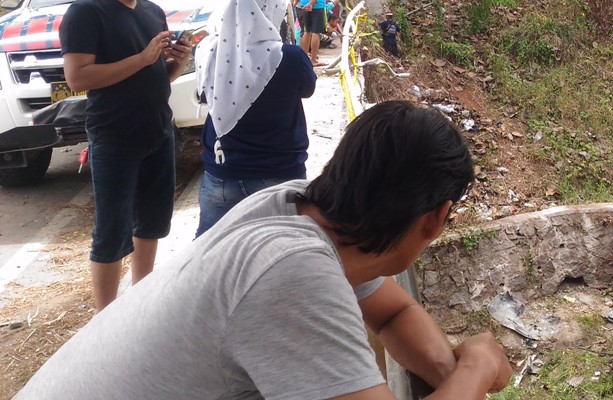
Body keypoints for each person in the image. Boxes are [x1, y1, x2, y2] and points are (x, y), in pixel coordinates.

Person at [16, 101, 514, 400]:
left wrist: (450, 378)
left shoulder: (296, 208)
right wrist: (477, 367)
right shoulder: (292, 272)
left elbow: (394, 312)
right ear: (435, 218)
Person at [59, 0, 192, 311]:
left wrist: (175, 62)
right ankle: (105, 318)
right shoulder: (86, 12)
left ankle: (141, 303)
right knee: (112, 230)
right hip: (115, 136)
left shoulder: (151, 12)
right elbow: (78, 78)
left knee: (151, 222)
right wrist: (143, 58)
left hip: (158, 130)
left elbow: (152, 78)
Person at [193, 0, 316, 237]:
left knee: (211, 253)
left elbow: (203, 94)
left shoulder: (210, 51)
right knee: (281, 251)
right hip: (278, 175)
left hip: (222, 172)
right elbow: (308, 89)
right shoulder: (290, 57)